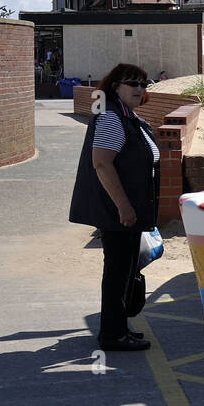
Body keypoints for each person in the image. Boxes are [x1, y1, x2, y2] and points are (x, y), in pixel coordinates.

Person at [69, 63, 160, 352]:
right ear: (115, 87)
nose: (138, 89)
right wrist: (123, 206)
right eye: (132, 83)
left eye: (143, 84)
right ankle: (113, 334)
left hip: (130, 212)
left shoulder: (128, 117)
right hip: (120, 214)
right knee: (118, 273)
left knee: (124, 270)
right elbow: (101, 163)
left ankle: (118, 328)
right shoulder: (111, 118)